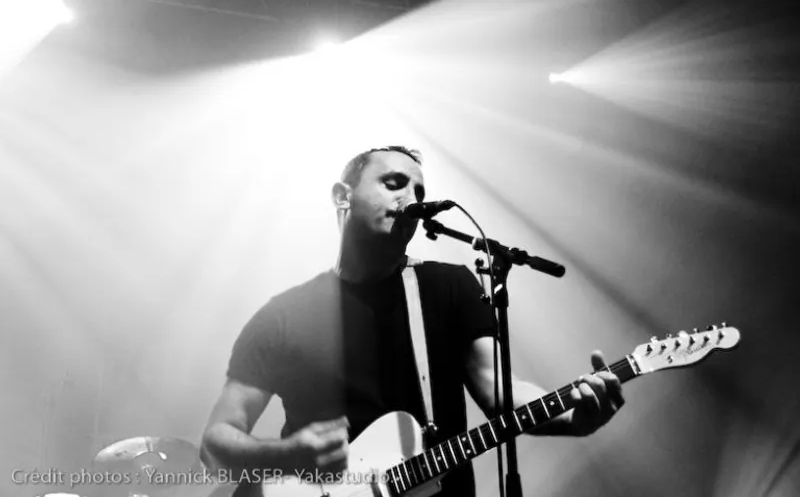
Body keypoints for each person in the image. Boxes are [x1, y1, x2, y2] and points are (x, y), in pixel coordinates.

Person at [200, 146, 624, 497]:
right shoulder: (282, 316)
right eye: (394, 183)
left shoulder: (449, 286)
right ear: (342, 196)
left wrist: (570, 418)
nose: (412, 198)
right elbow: (218, 437)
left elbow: (499, 389)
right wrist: (286, 454)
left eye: (419, 189)